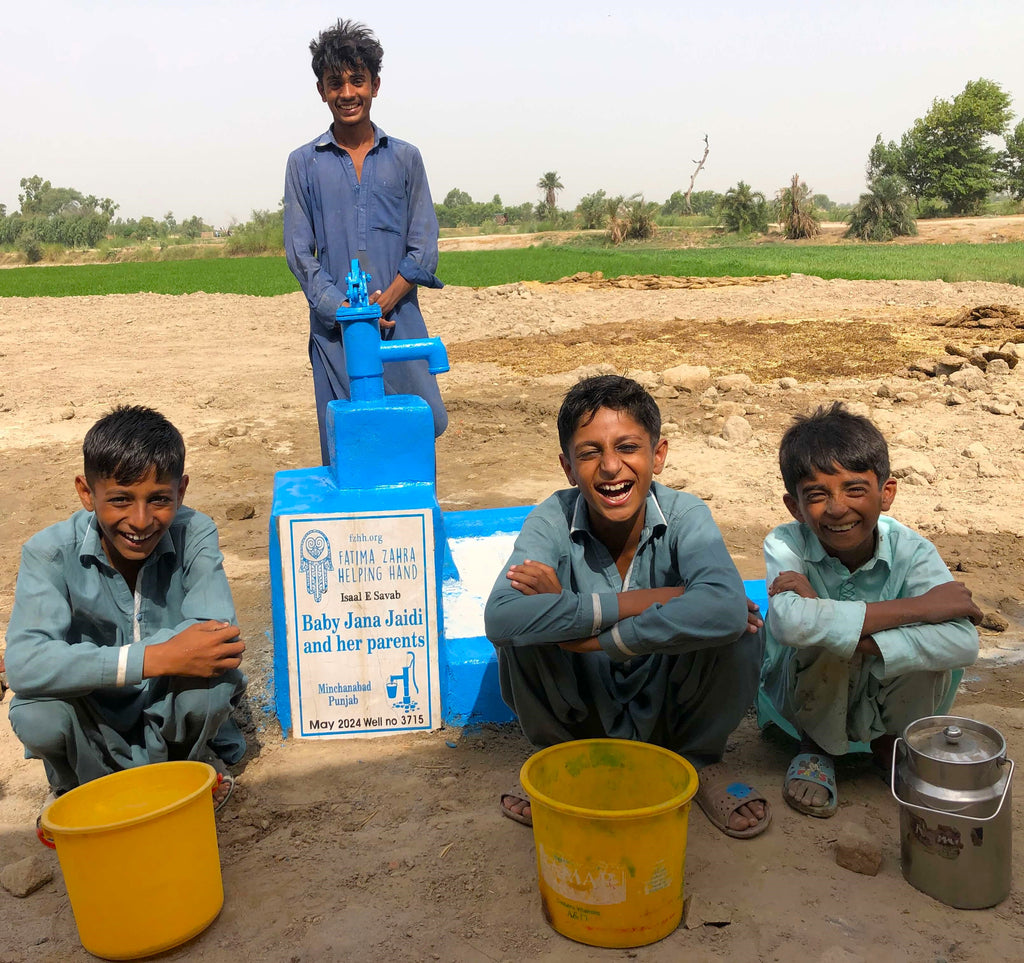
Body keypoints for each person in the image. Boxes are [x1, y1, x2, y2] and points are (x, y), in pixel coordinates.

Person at [484, 375, 770, 839]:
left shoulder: (685, 515)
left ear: (657, 455)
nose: (611, 467)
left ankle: (699, 761)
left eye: (628, 447)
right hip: (584, 709)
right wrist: (655, 599)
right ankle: (562, 758)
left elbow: (726, 607)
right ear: (567, 466)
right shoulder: (551, 517)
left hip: (670, 706)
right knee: (522, 635)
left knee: (741, 631)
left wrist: (599, 636)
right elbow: (499, 616)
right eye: (590, 452)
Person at [5, 406, 247, 843]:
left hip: (166, 701)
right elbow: (24, 665)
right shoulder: (48, 553)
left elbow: (219, 636)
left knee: (213, 684)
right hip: (92, 709)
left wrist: (81, 662)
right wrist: (157, 657)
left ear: (182, 491)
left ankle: (188, 766)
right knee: (38, 713)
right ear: (85, 492)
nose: (140, 521)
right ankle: (76, 787)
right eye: (120, 499)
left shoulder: (195, 533)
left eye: (159, 499)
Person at [761, 402, 981, 818]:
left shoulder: (912, 550)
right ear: (795, 507)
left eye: (855, 489)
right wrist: (921, 608)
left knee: (914, 650)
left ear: (887, 493)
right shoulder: (785, 543)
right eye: (817, 495)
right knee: (819, 640)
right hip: (804, 692)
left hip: (887, 688)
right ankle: (816, 746)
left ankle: (890, 745)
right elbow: (790, 623)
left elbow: (963, 643)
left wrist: (851, 634)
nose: (838, 508)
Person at [284, 18, 447, 465]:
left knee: (419, 429)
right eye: (335, 83)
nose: (347, 93)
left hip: (400, 323)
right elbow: (300, 254)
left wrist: (384, 303)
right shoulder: (303, 164)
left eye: (357, 80)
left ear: (375, 85)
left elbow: (424, 247)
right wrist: (349, 312)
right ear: (321, 90)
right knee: (348, 445)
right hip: (336, 334)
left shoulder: (406, 158)